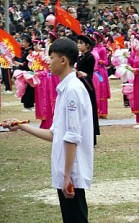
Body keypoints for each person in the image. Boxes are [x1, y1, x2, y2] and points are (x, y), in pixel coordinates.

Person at [2, 37, 95, 223]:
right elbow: (54, 134)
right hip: (66, 170)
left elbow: (72, 136)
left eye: (51, 58)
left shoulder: (72, 90)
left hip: (72, 171)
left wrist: (67, 176)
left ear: (63, 60)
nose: (48, 62)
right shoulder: (64, 89)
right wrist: (21, 125)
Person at [74, 35, 100, 146]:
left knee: (89, 110)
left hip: (86, 84)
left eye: (81, 43)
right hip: (79, 84)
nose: (78, 45)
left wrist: (83, 74)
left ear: (87, 45)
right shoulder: (79, 57)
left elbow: (89, 74)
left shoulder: (90, 57)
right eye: (78, 43)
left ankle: (91, 138)